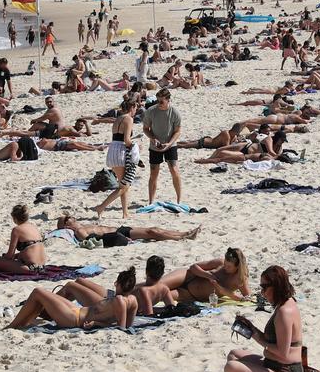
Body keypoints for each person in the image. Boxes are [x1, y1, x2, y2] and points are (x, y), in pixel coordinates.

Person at [226, 265, 310, 372]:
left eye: (264, 287)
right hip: (272, 365)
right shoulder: (285, 303)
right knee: (234, 354)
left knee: (231, 367)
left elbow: (282, 353)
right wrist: (253, 329)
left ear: (276, 286)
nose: (262, 293)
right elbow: (274, 339)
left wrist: (260, 340)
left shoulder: (284, 312)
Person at [4, 269, 139, 330]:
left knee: (38, 292)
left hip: (74, 319)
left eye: (116, 284)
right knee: (45, 296)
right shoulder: (133, 300)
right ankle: (23, 322)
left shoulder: (119, 300)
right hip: (77, 311)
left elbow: (121, 329)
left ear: (120, 285)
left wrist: (97, 323)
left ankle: (12, 326)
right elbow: (129, 326)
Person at [92, 99, 140, 219]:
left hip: (113, 149)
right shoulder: (129, 119)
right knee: (124, 186)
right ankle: (101, 206)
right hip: (120, 151)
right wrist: (136, 146)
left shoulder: (118, 118)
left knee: (123, 184)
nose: (136, 111)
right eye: (136, 108)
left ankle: (125, 213)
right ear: (132, 107)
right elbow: (127, 140)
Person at [163, 247, 250, 303]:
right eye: (225, 264)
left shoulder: (240, 279)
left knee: (161, 294)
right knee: (159, 285)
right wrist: (208, 275)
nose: (225, 267)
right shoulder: (219, 263)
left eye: (229, 266)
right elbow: (193, 267)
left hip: (190, 294)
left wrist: (218, 286)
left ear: (238, 266)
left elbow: (247, 297)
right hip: (188, 276)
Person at [143, 88, 183, 204]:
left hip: (170, 145)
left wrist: (169, 143)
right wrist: (153, 138)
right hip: (155, 145)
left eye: (161, 101)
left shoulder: (175, 112)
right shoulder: (151, 111)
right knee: (154, 173)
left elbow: (178, 131)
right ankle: (151, 201)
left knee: (174, 170)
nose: (159, 103)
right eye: (157, 100)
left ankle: (179, 200)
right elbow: (146, 129)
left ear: (168, 100)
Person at [0, 204, 46, 273]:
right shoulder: (34, 228)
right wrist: (16, 256)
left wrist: (5, 257)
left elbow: (9, 256)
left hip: (28, 268)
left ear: (15, 219)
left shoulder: (16, 230)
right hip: (42, 266)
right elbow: (31, 249)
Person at [57, 214, 200, 243]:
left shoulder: (84, 226)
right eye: (70, 218)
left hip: (120, 229)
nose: (73, 217)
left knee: (153, 229)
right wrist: (118, 238)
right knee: (152, 232)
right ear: (66, 225)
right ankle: (182, 238)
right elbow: (94, 240)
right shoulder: (80, 231)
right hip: (118, 234)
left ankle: (185, 233)